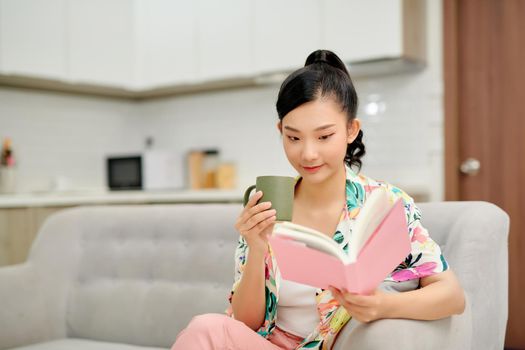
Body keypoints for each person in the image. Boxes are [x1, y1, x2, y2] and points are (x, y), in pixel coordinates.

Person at [171, 49, 465, 350]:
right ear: (280, 132)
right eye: (293, 138)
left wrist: (382, 306)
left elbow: (452, 296)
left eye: (324, 137)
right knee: (205, 328)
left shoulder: (387, 203)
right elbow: (246, 324)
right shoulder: (270, 206)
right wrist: (256, 248)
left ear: (351, 130)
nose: (308, 153)